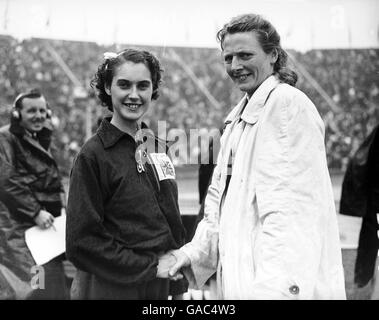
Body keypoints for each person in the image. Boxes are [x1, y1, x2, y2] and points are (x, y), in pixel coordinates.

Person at [165, 13, 346, 299]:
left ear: (273, 55)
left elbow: (289, 217)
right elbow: (217, 211)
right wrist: (189, 255)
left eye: (245, 55)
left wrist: (276, 293)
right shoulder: (237, 120)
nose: (235, 66)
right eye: (228, 58)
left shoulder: (286, 106)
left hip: (274, 288)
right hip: (244, 284)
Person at [66, 49, 188, 300]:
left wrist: (177, 285)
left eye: (143, 85)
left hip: (158, 283)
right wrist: (148, 268)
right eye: (124, 85)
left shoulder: (159, 148)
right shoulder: (92, 155)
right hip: (109, 285)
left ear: (152, 90)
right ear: (108, 88)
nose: (134, 95)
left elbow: (171, 221)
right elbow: (81, 242)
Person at [0, 89, 68, 300]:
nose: (38, 115)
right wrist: (35, 211)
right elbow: (6, 180)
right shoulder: (5, 138)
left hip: (43, 228)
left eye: (42, 110)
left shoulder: (41, 139)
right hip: (18, 227)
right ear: (17, 114)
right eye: (31, 111)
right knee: (30, 287)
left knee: (51, 285)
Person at [340, 123, 379, 299]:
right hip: (375, 205)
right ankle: (364, 286)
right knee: (369, 250)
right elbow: (360, 160)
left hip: (373, 205)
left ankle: (364, 285)